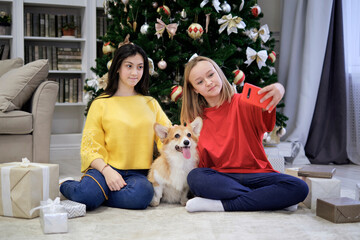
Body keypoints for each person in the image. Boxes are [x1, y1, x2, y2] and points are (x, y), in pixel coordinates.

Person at [180, 56, 309, 212]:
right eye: (200, 82)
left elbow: (268, 123)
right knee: (195, 177)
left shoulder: (245, 102)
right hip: (222, 179)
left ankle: (222, 205)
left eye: (211, 75)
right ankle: (269, 199)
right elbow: (198, 162)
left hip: (258, 175)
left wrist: (279, 88)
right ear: (194, 89)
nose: (208, 82)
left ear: (219, 73)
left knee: (299, 187)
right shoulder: (195, 121)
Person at [60, 43, 171, 210]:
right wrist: (106, 171)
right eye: (129, 66)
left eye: (140, 67)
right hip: (105, 169)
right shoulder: (100, 104)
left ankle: (97, 194)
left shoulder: (151, 104)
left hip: (138, 174)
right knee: (87, 196)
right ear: (117, 67)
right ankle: (66, 184)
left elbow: (168, 137)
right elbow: (90, 147)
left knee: (142, 196)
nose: (135, 72)